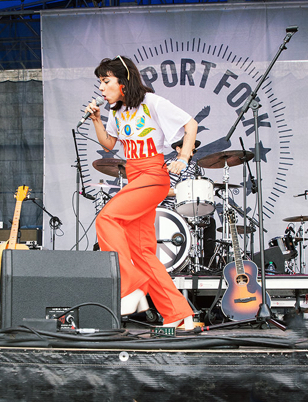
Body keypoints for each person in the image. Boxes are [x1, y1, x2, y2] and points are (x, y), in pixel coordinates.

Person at [86, 55, 198, 330]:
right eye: (100, 82)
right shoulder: (117, 111)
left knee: (106, 220)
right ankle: (180, 315)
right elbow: (110, 144)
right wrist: (97, 120)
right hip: (135, 174)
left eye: (106, 81)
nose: (101, 88)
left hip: (152, 173)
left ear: (123, 81)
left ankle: (131, 286)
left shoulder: (152, 102)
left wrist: (183, 157)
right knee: (143, 252)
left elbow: (190, 124)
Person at [161, 139, 218, 270]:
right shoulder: (168, 165)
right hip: (171, 210)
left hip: (190, 209)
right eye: (189, 149)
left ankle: (209, 265)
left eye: (193, 150)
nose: (191, 153)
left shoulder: (194, 166)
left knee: (210, 222)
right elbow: (161, 190)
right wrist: (181, 191)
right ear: (178, 149)